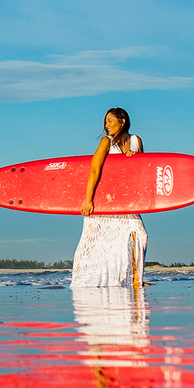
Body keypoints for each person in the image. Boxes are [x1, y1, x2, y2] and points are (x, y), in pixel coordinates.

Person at [71, 108, 147, 289]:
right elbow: (94, 170)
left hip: (126, 202)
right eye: (105, 122)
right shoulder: (107, 142)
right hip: (104, 202)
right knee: (95, 245)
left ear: (123, 121)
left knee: (139, 236)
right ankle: (84, 281)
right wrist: (88, 199)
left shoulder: (136, 141)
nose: (107, 125)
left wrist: (132, 159)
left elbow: (142, 171)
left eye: (110, 121)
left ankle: (136, 279)